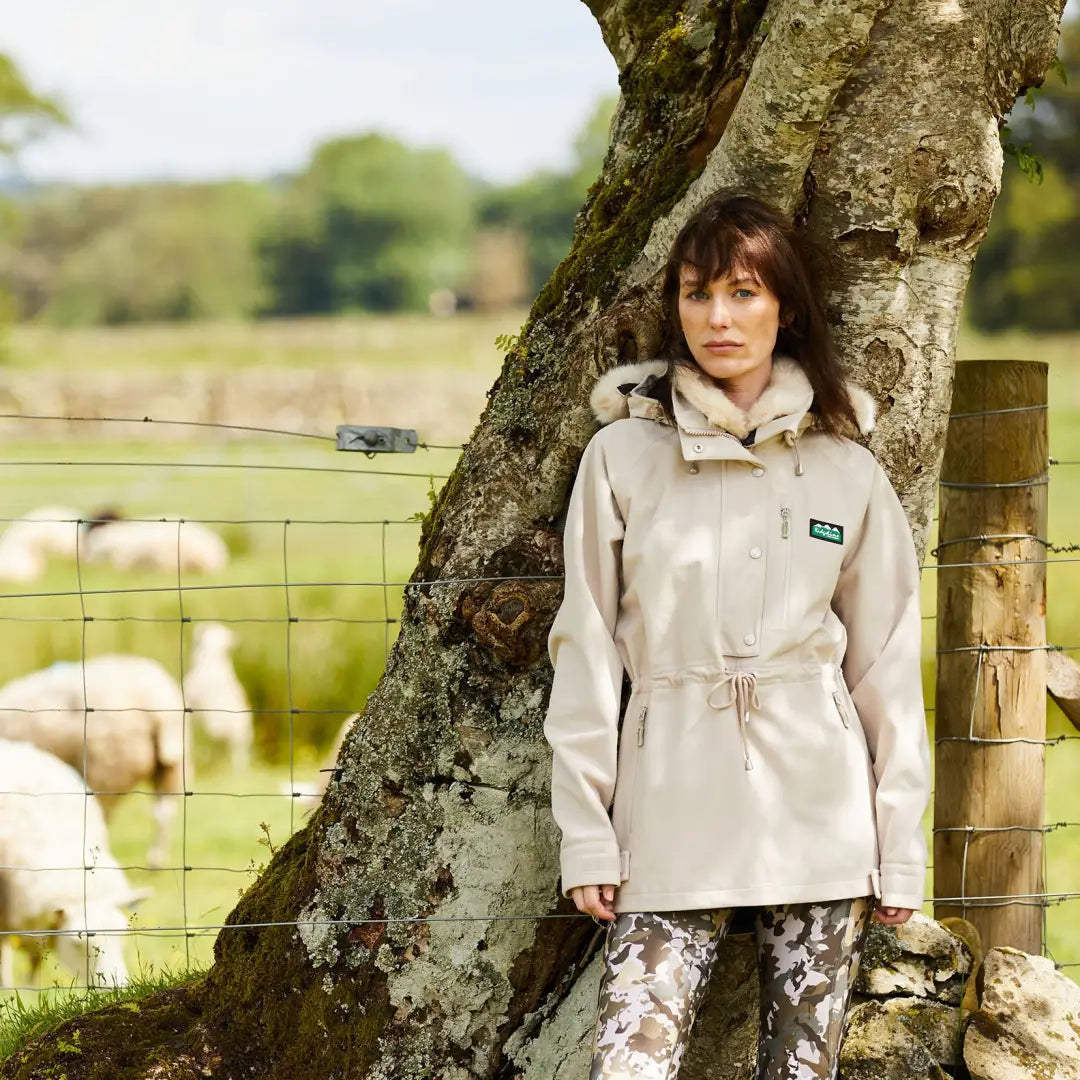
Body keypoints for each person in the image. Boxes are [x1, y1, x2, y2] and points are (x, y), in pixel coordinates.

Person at [543, 191, 931, 1080]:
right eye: (696, 294)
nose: (717, 318)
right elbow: (588, 649)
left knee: (801, 1071)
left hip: (822, 815)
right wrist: (587, 833)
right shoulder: (623, 457)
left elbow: (886, 667)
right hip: (670, 800)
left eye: (743, 293)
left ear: (785, 307)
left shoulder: (846, 468)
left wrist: (900, 845)